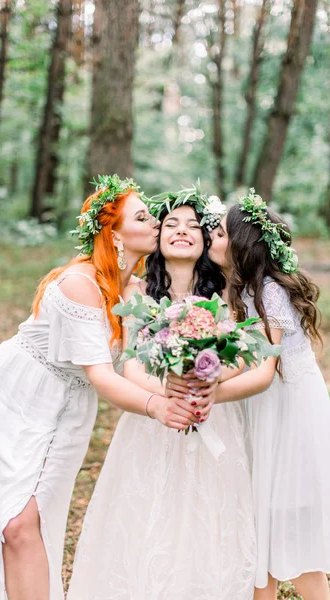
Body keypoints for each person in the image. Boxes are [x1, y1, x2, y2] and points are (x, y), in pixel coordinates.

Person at [0, 175, 202, 600]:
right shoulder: (82, 283)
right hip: (21, 391)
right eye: (144, 217)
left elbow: (132, 364)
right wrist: (157, 407)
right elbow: (101, 374)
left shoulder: (133, 289)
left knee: (29, 521)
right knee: (12, 520)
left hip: (71, 405)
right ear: (113, 233)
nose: (157, 223)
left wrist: (182, 384)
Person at [67, 187, 257, 600]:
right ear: (157, 238)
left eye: (193, 225)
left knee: (208, 518)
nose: (182, 231)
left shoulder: (225, 289)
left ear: (207, 239)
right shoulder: (135, 294)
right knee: (148, 521)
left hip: (213, 414)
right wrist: (167, 396)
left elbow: (244, 353)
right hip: (152, 421)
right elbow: (131, 365)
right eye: (171, 224)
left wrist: (211, 378)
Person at [170, 189, 330, 600]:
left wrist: (211, 393)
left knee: (283, 516)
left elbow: (266, 371)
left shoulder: (268, 291)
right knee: (261, 523)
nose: (210, 239)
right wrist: (209, 374)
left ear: (240, 244)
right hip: (270, 409)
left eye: (217, 234)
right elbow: (248, 358)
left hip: (291, 412)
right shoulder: (245, 290)